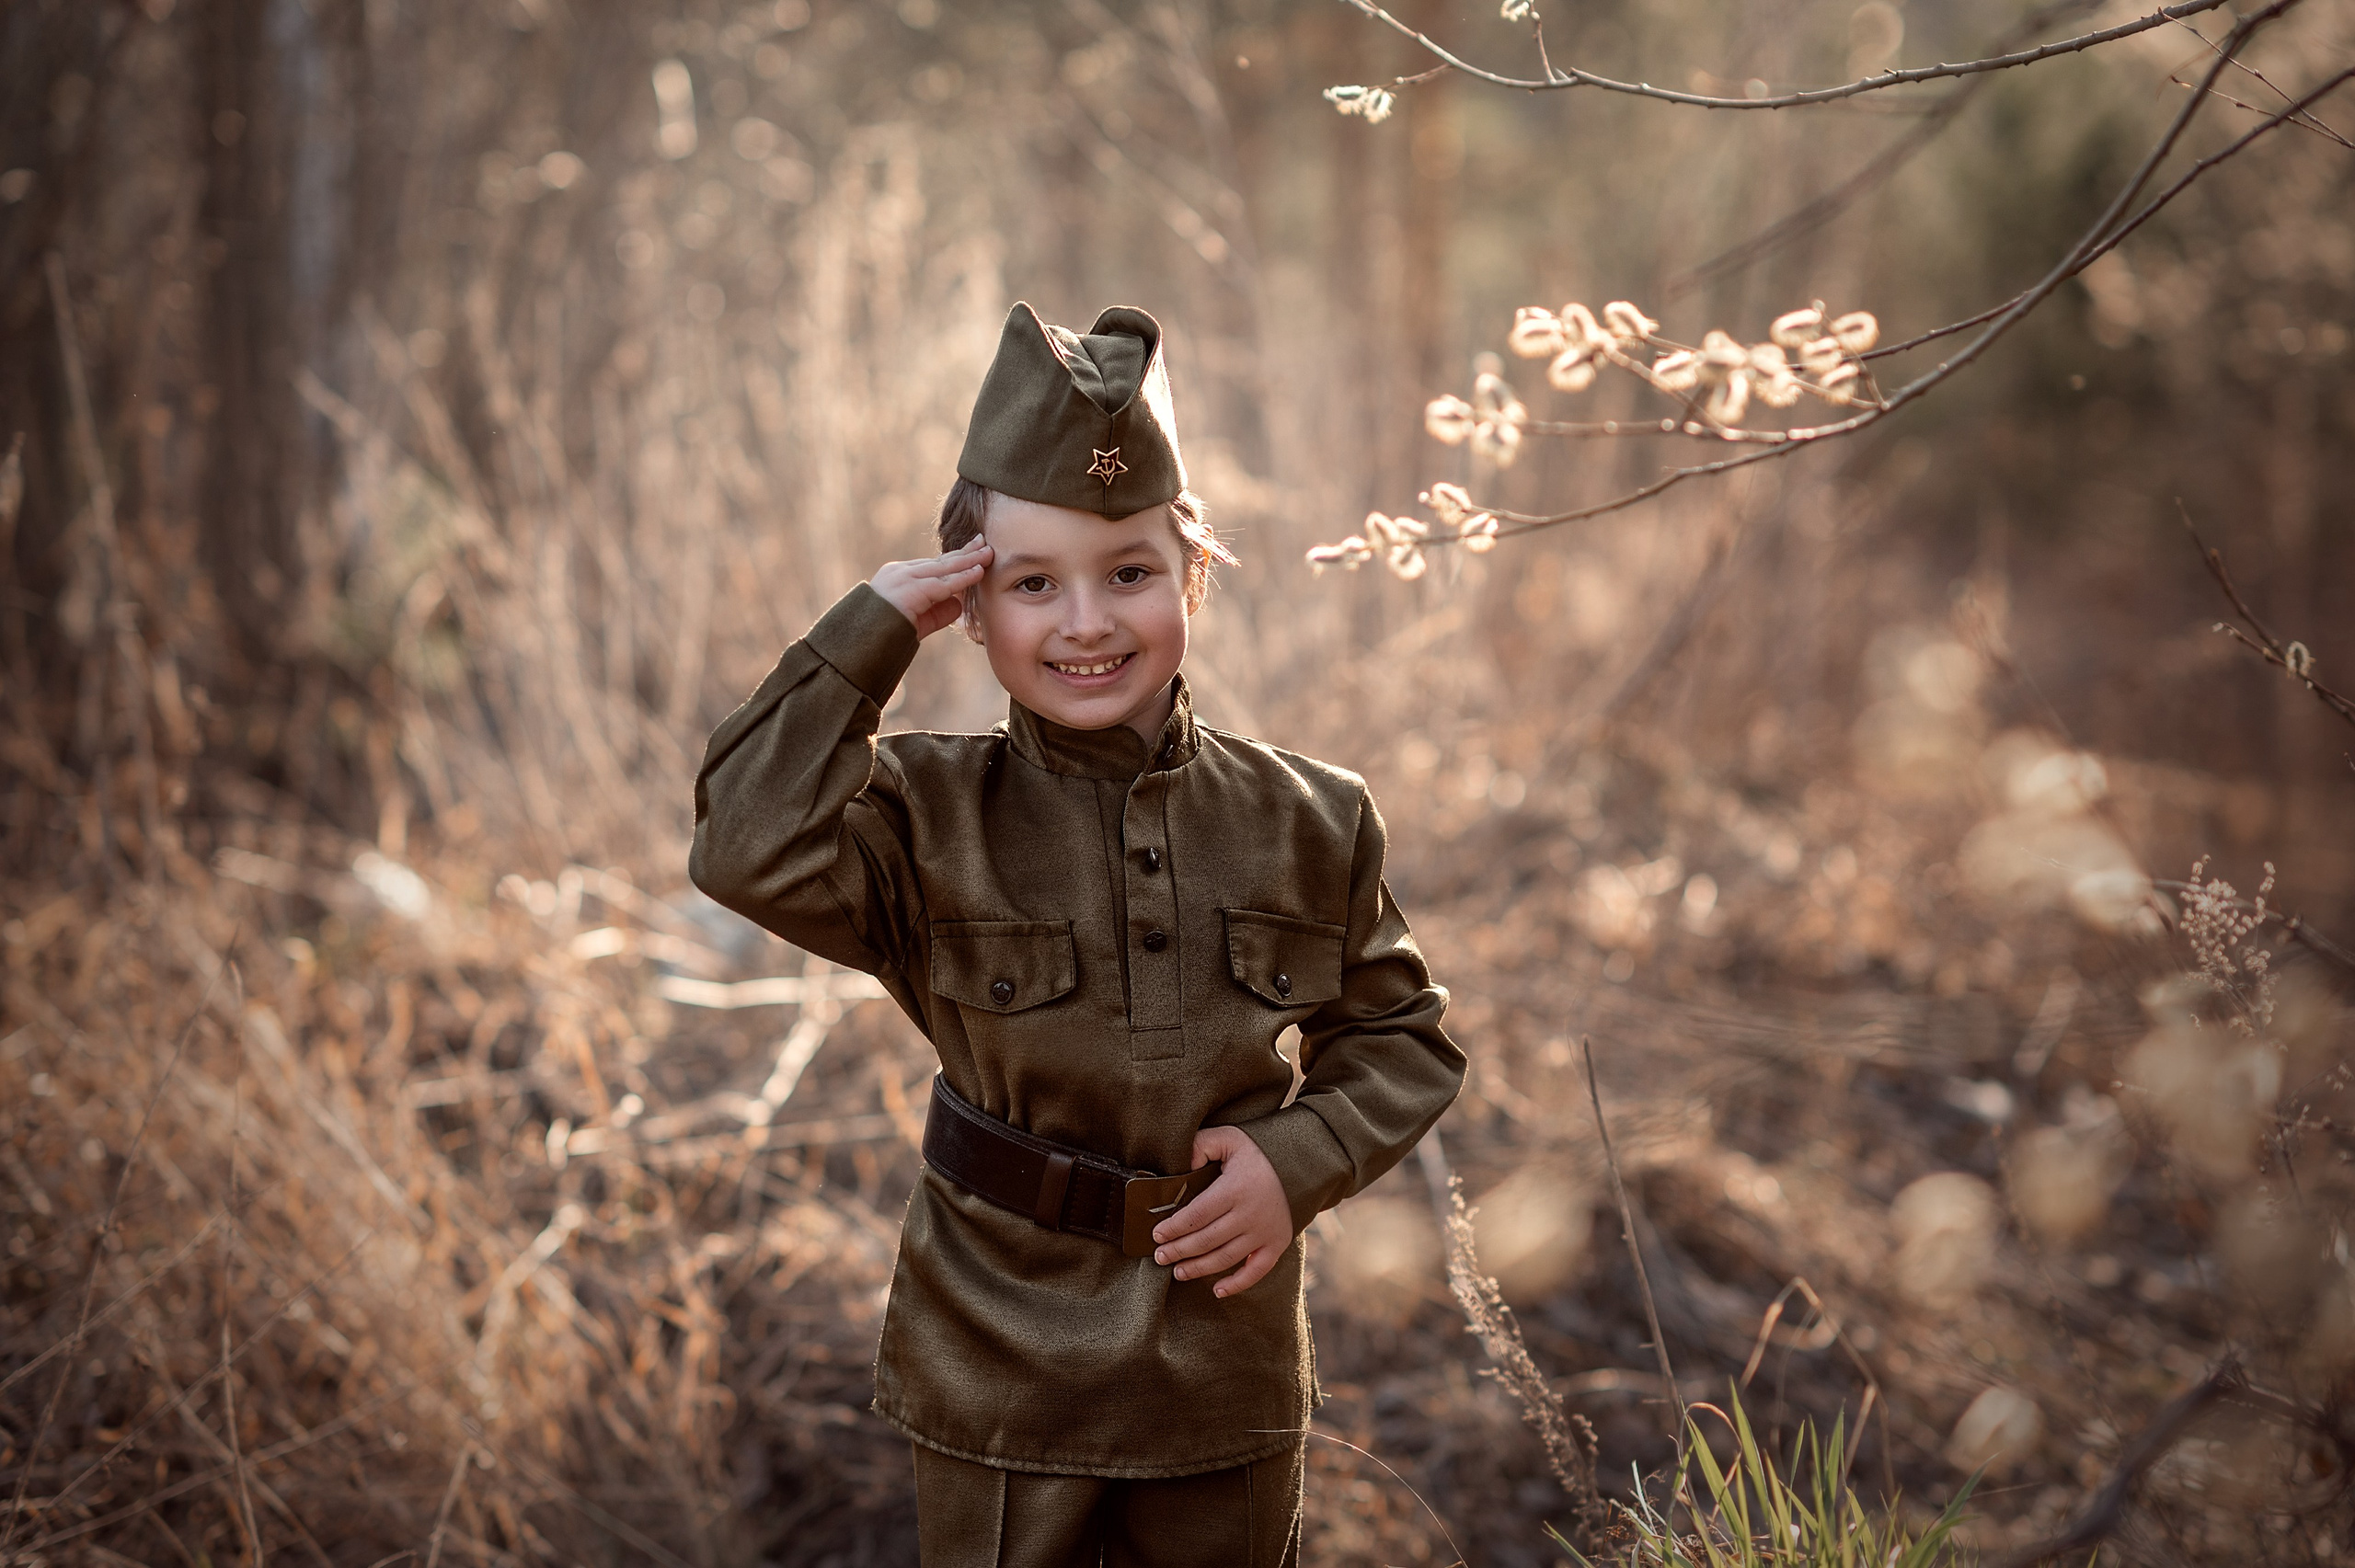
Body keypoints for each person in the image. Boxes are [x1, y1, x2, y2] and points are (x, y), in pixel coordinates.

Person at [690, 302, 1464, 1567]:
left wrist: (1300, 1160)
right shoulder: (923, 815)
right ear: (970, 606)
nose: (1088, 622)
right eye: (1032, 583)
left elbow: (1402, 1039)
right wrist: (865, 636)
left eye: (1130, 573)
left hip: (1221, 1357)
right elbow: (739, 844)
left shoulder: (1309, 817)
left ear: (1194, 573)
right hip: (997, 1356)